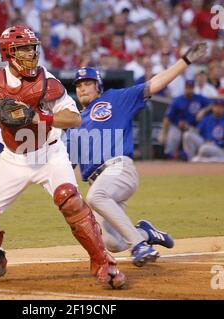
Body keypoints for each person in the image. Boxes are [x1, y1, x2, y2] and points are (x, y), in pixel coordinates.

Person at [0, 25, 126, 289]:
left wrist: (38, 116)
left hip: (49, 154)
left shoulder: (48, 81)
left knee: (69, 199)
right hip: (12, 159)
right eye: (23, 48)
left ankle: (103, 262)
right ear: (8, 53)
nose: (31, 53)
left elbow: (74, 118)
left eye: (32, 47)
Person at [67, 42, 208, 267]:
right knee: (111, 241)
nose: (82, 87)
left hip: (119, 169)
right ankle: (145, 234)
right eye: (79, 84)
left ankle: (139, 247)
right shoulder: (73, 123)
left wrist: (185, 62)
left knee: (95, 197)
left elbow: (153, 84)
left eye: (88, 83)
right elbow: (63, 164)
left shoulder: (115, 99)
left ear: (98, 86)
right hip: (101, 182)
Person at [159, 79, 211, 159]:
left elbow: (212, 104)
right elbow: (167, 118)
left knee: (189, 135)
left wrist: (203, 110)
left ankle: (189, 158)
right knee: (174, 136)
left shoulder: (198, 98)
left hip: (192, 127)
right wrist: (163, 134)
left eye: (191, 88)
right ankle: (168, 156)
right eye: (187, 87)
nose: (189, 90)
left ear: (193, 88)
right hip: (177, 125)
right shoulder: (177, 100)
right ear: (184, 88)